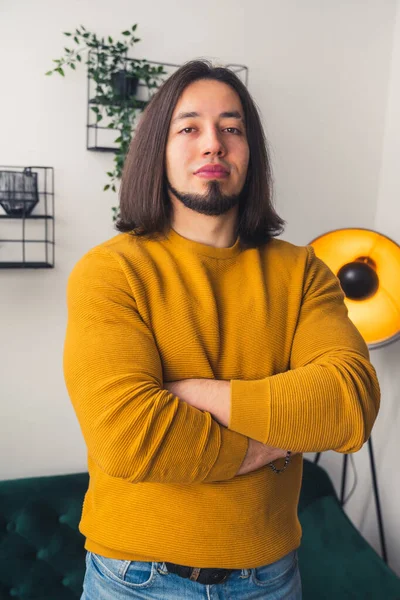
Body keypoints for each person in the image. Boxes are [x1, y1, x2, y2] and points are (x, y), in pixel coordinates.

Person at [63, 59, 380, 600]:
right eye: (189, 128)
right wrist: (278, 439)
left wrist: (198, 394)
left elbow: (348, 406)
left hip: (271, 579)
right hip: (133, 581)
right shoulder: (111, 270)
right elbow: (129, 438)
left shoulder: (303, 270)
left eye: (231, 128)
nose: (213, 144)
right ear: (157, 152)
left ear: (250, 153)